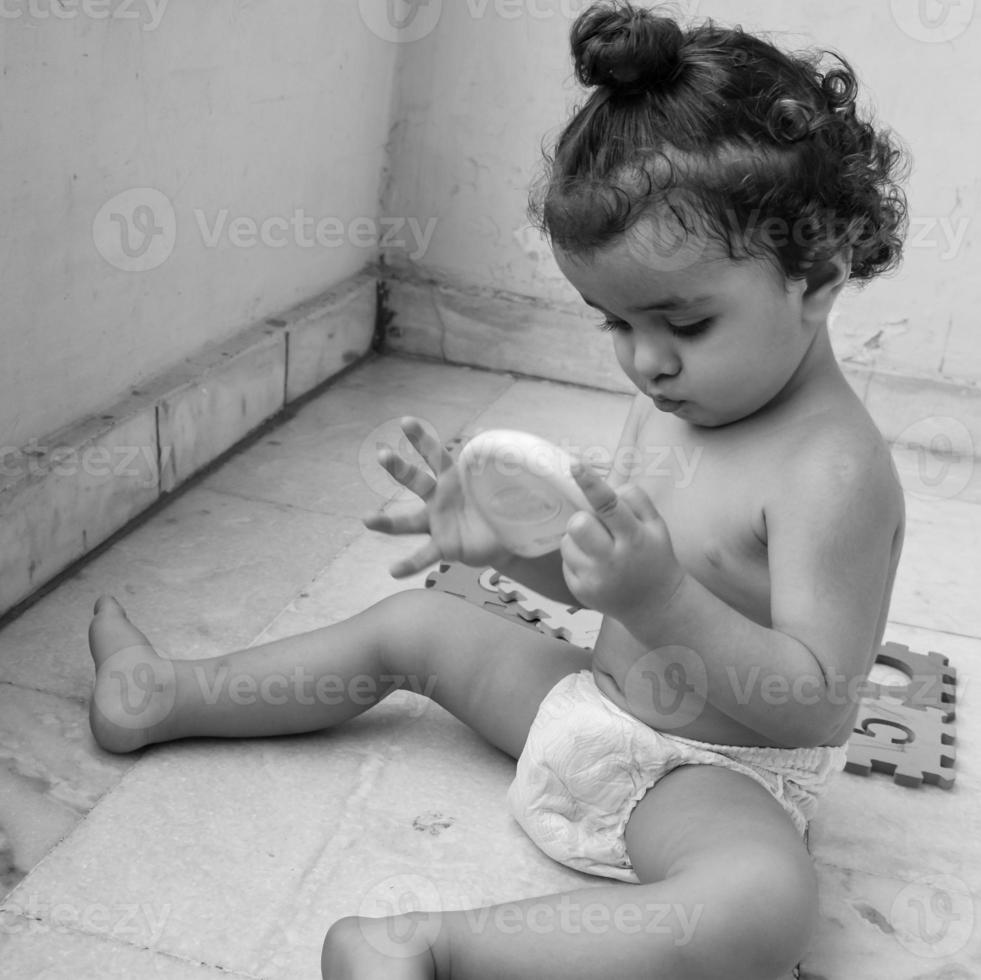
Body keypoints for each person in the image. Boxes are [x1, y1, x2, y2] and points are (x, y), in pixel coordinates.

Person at [88, 2, 909, 976]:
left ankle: (429, 946)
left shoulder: (837, 471)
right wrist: (515, 550)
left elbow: (815, 700)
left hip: (711, 778)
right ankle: (164, 693)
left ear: (815, 272)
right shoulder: (677, 403)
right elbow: (601, 580)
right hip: (586, 706)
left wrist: (663, 600)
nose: (644, 360)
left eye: (683, 324)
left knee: (765, 905)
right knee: (416, 625)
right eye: (614, 321)